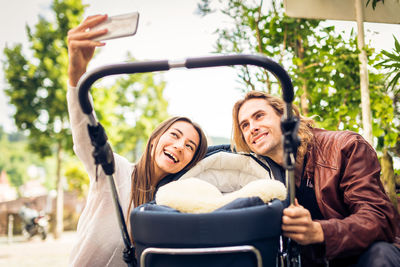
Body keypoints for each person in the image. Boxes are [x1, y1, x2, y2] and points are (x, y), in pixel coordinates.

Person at [67, 15, 208, 266]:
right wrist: (77, 72)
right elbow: (84, 134)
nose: (179, 146)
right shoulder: (114, 172)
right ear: (154, 140)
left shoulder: (174, 202)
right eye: (175, 135)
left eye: (190, 147)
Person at [231, 90, 400, 266]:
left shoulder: (345, 147)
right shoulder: (260, 178)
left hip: (365, 257)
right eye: (244, 125)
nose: (252, 128)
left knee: (379, 254)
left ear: (285, 117)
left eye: (259, 116)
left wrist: (318, 231)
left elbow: (380, 218)